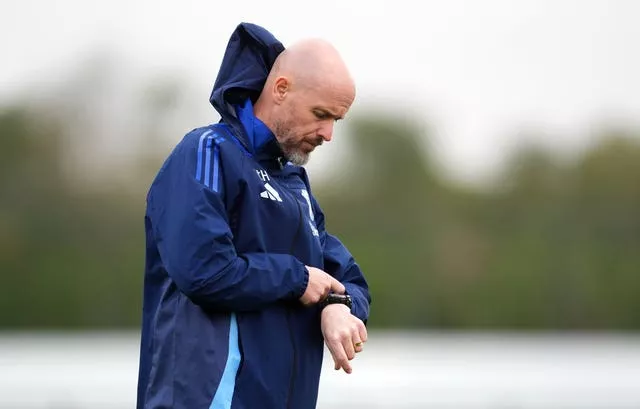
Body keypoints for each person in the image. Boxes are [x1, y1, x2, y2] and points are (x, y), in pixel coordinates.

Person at [136, 22, 372, 409]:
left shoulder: (294, 184)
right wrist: (297, 278)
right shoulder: (206, 152)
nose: (328, 134)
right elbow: (204, 272)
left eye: (336, 121)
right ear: (281, 89)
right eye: (320, 114)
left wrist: (337, 306)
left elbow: (347, 278)